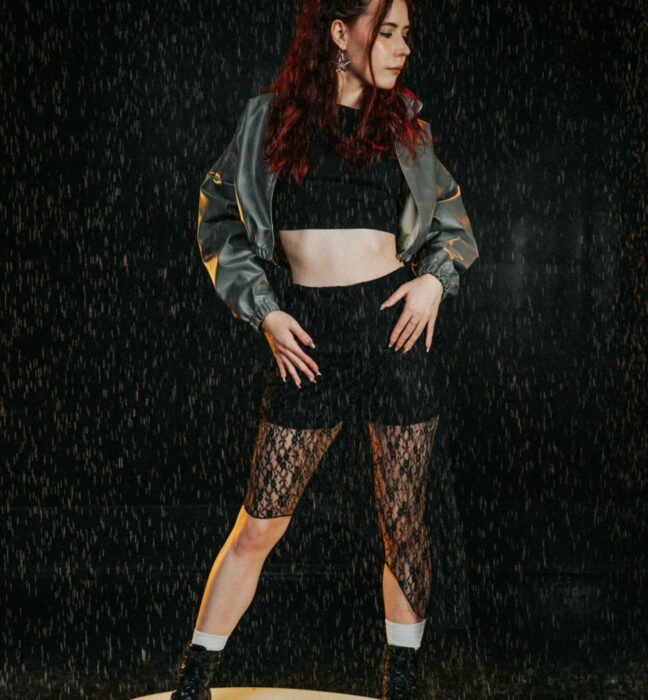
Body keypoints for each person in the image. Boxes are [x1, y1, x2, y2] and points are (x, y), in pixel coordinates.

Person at [170, 0, 478, 697]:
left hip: (395, 335)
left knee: (404, 523)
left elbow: (452, 225)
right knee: (260, 522)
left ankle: (401, 683)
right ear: (340, 33)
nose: (401, 48)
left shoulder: (407, 129)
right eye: (387, 32)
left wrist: (433, 282)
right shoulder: (269, 120)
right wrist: (266, 313)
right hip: (309, 338)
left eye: (406, 35)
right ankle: (194, 681)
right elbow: (219, 219)